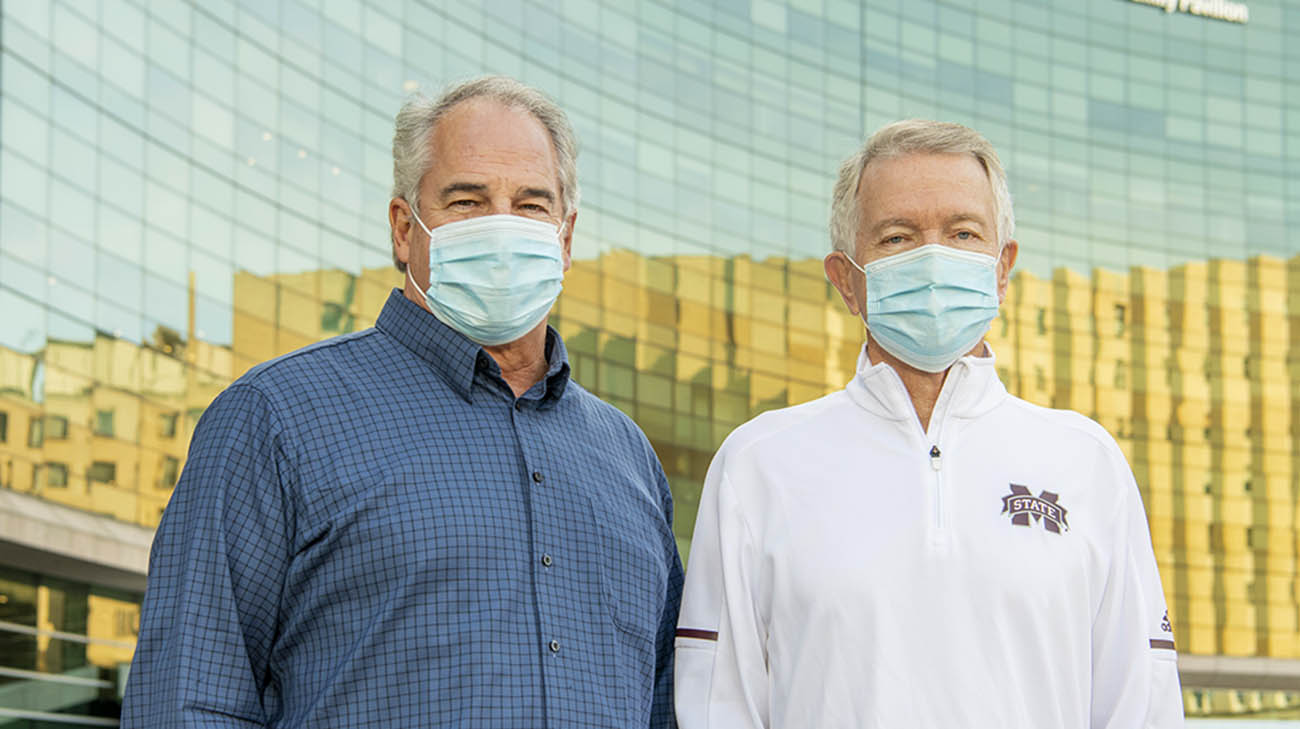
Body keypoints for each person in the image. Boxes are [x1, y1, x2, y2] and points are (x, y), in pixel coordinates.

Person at [123, 76, 683, 728]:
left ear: (565, 236)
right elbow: (188, 701)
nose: (502, 226)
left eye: (531, 205)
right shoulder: (274, 419)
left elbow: (662, 706)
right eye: (467, 201)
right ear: (402, 228)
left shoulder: (629, 460)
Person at [673, 119, 1183, 728]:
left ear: (1002, 269)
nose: (934, 259)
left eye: (964, 233)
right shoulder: (757, 464)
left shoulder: (1086, 462)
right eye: (896, 238)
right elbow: (716, 706)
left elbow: (1142, 708)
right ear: (845, 280)